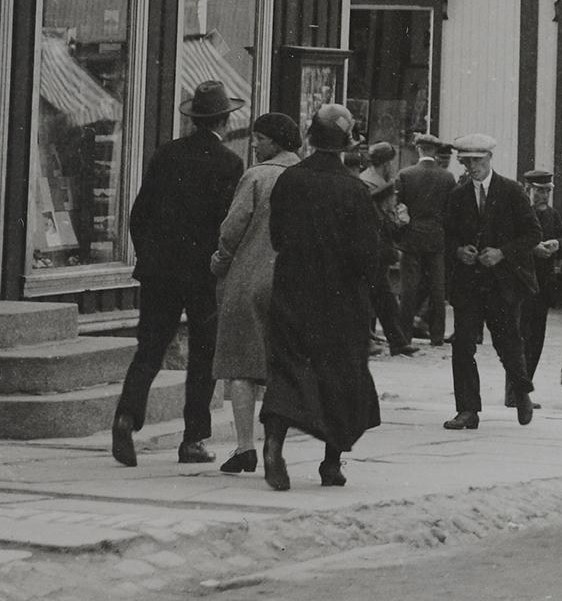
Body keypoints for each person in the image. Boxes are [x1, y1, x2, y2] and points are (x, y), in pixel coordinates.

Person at [111, 80, 246, 468]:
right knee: (204, 356)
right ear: (224, 119)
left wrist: (150, 256)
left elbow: (140, 214)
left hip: (160, 272)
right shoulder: (229, 163)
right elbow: (228, 224)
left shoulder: (166, 154)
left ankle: (125, 417)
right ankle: (193, 441)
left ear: (194, 119)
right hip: (203, 275)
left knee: (149, 349)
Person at [258, 105, 385, 490]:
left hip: (291, 292)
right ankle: (331, 463)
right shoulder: (353, 190)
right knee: (340, 377)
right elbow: (368, 256)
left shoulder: (290, 179)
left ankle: (273, 446)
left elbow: (277, 238)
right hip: (339, 302)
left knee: (287, 370)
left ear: (311, 138)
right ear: (346, 144)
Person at [208, 112, 303, 475]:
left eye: (260, 138)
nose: (255, 144)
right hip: (291, 284)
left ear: (275, 142)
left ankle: (245, 446)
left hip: (248, 281)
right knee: (282, 367)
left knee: (240, 365)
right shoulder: (305, 176)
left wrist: (220, 261)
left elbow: (232, 229)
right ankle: (275, 448)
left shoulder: (257, 176)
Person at [441, 134, 540, 429]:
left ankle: (521, 392)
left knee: (508, 342)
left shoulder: (511, 191)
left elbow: (532, 234)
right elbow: (446, 236)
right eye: (467, 162)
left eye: (478, 161)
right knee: (463, 345)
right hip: (468, 283)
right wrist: (459, 250)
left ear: (489, 159)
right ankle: (468, 409)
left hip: (502, 283)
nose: (473, 167)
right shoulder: (457, 196)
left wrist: (502, 253)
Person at [395, 136, 457, 346]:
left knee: (409, 288)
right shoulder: (447, 178)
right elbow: (451, 212)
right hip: (436, 238)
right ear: (435, 151)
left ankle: (404, 335)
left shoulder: (405, 174)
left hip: (411, 237)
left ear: (418, 149)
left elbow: (398, 209)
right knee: (437, 288)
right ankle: (437, 336)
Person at [357, 143, 416, 357]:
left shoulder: (370, 179)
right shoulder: (374, 182)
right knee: (375, 295)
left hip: (376, 244)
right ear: (386, 163)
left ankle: (395, 341)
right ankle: (380, 340)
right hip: (374, 244)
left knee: (381, 296)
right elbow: (380, 214)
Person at [521, 170, 562, 397]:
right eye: (539, 191)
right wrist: (532, 248)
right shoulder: (519, 213)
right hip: (522, 285)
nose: (544, 196)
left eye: (547, 191)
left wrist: (557, 243)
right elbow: (509, 242)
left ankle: (524, 387)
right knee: (520, 338)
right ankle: (516, 390)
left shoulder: (552, 214)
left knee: (536, 340)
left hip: (544, 286)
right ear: (527, 189)